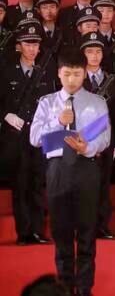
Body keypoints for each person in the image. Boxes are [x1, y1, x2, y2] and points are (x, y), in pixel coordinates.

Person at [30, 49, 111, 296]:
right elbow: (34, 138)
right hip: (57, 170)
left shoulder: (97, 102)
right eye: (67, 74)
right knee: (61, 232)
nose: (72, 80)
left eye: (77, 74)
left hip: (87, 168)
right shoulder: (47, 102)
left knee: (87, 232)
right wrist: (57, 121)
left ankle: (85, 288)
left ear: (85, 74)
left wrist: (88, 147)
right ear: (58, 73)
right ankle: (64, 288)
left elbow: (105, 138)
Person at [0, 24, 58, 245]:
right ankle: (24, 232)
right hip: (16, 137)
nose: (32, 49)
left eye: (36, 44)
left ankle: (38, 231)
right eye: (28, 44)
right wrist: (6, 115)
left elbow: (53, 102)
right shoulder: (7, 71)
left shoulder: (47, 70)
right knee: (21, 184)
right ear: (19, 46)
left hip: (40, 135)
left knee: (38, 184)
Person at [80, 32, 115, 240]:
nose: (94, 56)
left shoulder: (112, 81)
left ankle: (102, 227)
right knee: (83, 186)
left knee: (103, 186)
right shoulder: (77, 79)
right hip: (83, 140)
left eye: (98, 51)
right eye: (90, 51)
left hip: (106, 140)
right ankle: (84, 227)